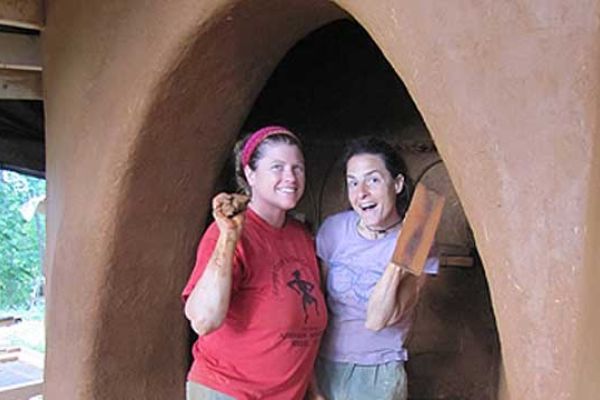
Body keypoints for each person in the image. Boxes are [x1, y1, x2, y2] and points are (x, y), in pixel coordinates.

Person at [182, 126, 327, 400]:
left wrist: (314, 392)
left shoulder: (301, 237)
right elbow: (203, 320)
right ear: (250, 173)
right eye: (277, 167)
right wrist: (229, 238)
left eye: (298, 168)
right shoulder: (226, 233)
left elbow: (301, 332)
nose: (291, 177)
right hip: (229, 391)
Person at [313, 137, 439, 400]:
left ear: (398, 184)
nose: (361, 193)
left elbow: (378, 319)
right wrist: (312, 382)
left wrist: (400, 255)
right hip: (323, 363)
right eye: (353, 182)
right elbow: (317, 307)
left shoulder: (417, 241)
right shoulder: (334, 230)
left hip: (378, 372)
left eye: (373, 180)